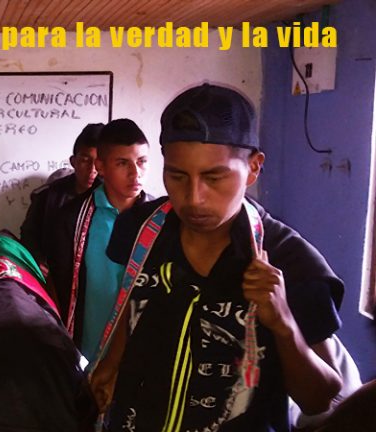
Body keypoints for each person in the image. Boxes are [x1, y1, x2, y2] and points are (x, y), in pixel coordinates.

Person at [91, 84, 344, 431]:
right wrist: (111, 363)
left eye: (214, 177)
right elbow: (134, 301)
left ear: (253, 167)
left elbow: (319, 399)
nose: (194, 197)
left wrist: (284, 324)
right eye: (177, 175)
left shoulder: (293, 262)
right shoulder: (141, 228)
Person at [47, 119, 153, 364]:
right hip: (87, 351)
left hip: (141, 350)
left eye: (142, 161)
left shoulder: (158, 220)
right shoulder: (71, 218)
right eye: (122, 163)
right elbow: (58, 285)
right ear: (101, 167)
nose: (135, 173)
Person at [20, 123, 103, 272]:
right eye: (85, 160)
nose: (92, 170)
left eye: (98, 163)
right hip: (54, 275)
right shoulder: (47, 196)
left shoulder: (111, 199)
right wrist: (37, 260)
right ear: (73, 161)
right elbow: (28, 234)